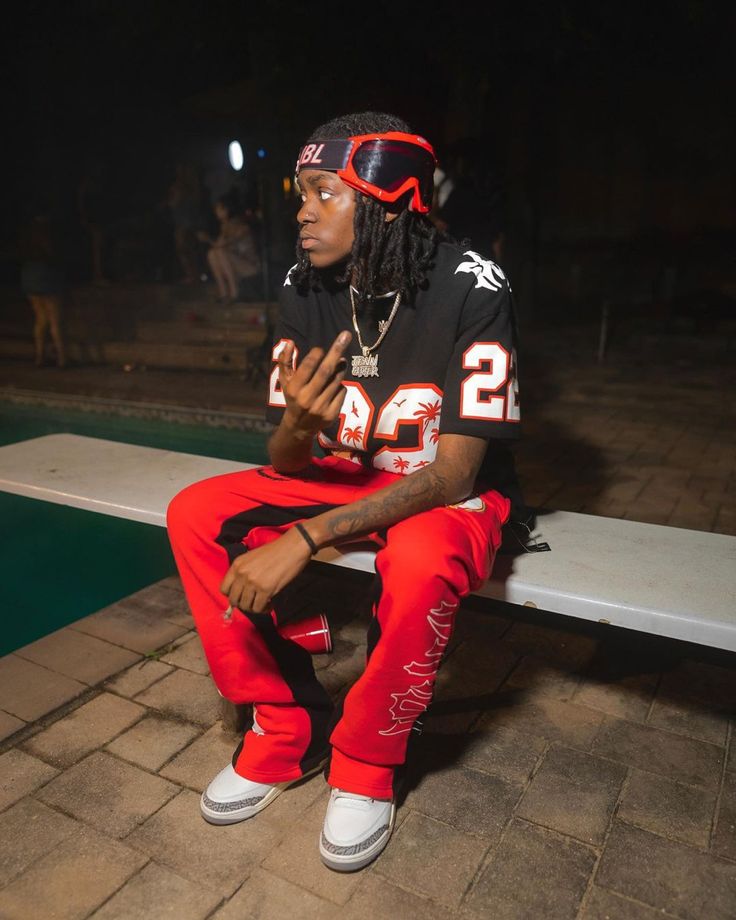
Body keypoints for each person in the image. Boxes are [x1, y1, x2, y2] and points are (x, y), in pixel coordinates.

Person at [167, 111, 522, 872]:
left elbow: (456, 473)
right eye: (302, 192)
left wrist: (306, 539)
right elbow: (286, 459)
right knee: (195, 513)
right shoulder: (305, 285)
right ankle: (283, 725)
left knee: (423, 562)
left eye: (324, 192)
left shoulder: (473, 286)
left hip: (446, 495)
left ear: (387, 201)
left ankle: (367, 762)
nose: (301, 209)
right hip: (348, 477)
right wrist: (295, 422)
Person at [19, 212, 67, 368]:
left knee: (40, 319)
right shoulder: (47, 237)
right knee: (54, 320)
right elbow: (51, 255)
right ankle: (61, 358)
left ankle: (39, 357)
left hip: (29, 277)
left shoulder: (27, 239)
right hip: (46, 278)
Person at [198, 194, 261, 303]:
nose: (216, 212)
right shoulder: (225, 226)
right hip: (235, 262)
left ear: (227, 209)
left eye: (219, 208)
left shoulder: (241, 226)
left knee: (221, 252)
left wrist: (207, 239)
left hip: (249, 265)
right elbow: (218, 245)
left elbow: (225, 244)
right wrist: (207, 239)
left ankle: (234, 292)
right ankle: (223, 292)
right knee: (212, 254)